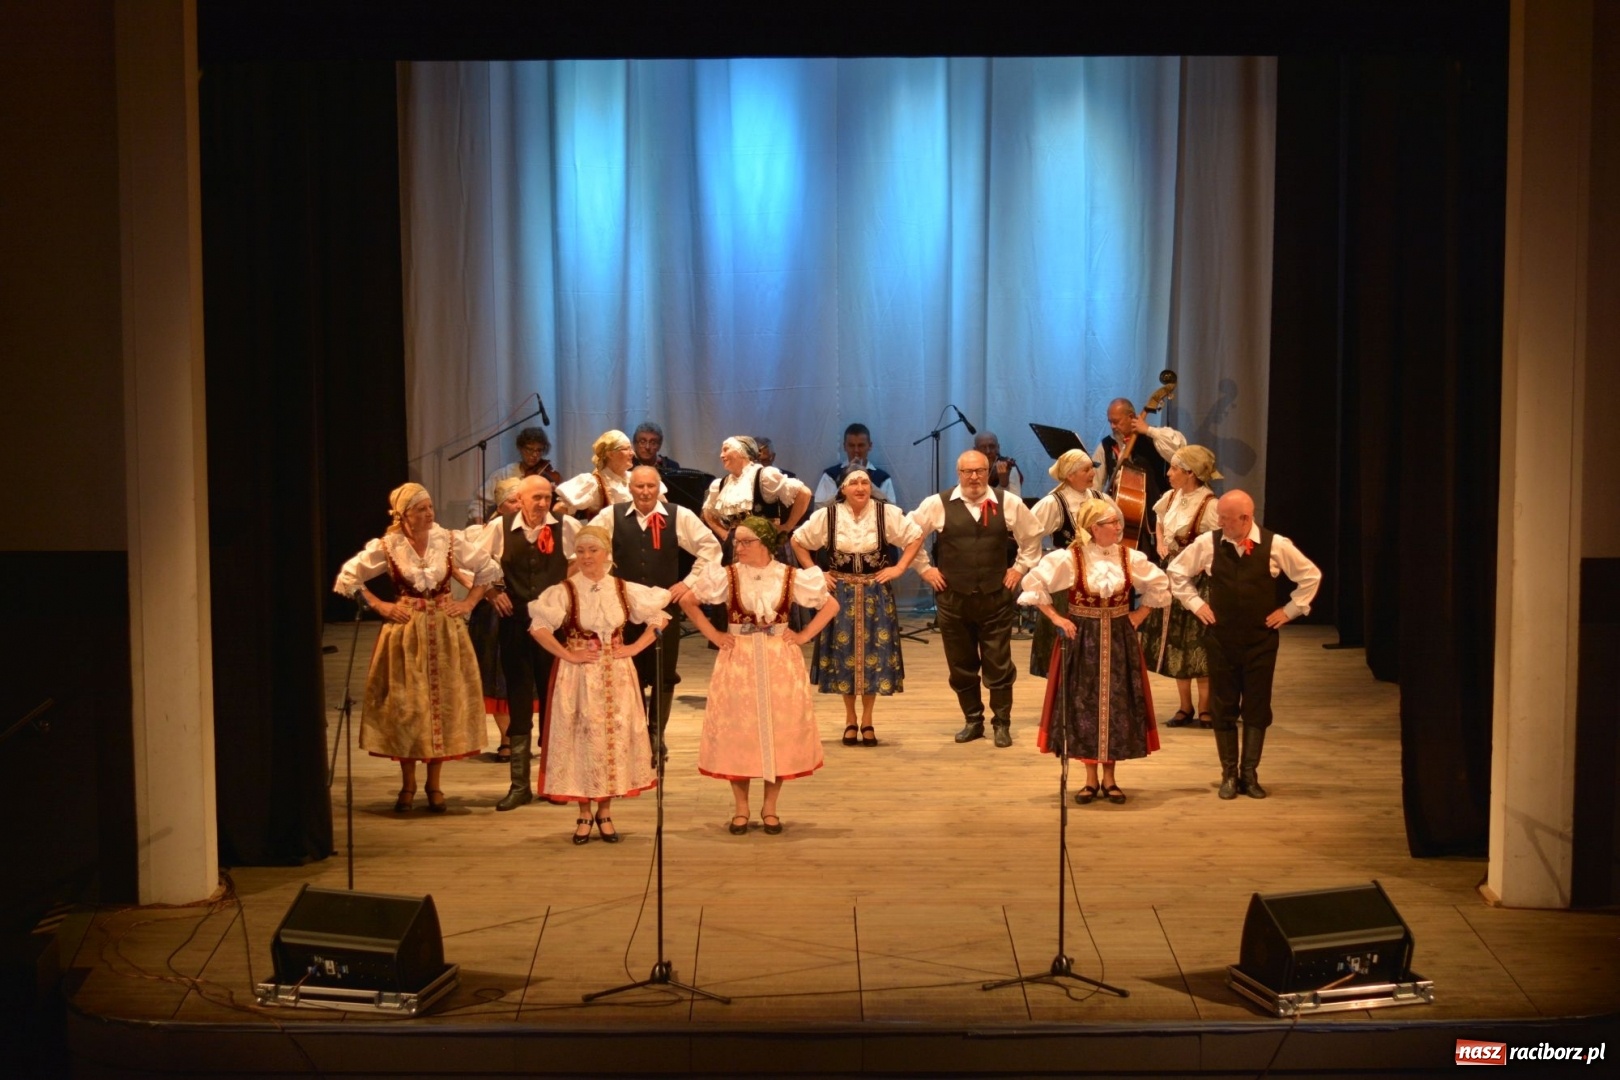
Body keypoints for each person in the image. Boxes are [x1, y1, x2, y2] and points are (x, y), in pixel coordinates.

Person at [334, 483, 502, 812]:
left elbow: (488, 568)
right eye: (421, 509)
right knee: (409, 707)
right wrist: (380, 605)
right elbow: (349, 577)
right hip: (406, 633)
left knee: (441, 704)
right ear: (404, 515)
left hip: (445, 631)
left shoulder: (447, 540)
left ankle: (434, 784)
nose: (429, 513)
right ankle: (408, 783)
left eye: (430, 507)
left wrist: (468, 603)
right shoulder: (389, 545)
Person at [679, 516, 839, 835]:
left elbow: (831, 605)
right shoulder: (728, 575)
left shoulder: (789, 575)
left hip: (779, 660)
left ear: (764, 543)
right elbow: (688, 601)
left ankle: (770, 807)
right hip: (738, 660)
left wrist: (804, 635)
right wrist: (715, 635)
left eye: (745, 542)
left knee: (778, 732)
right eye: (736, 542)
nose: (738, 547)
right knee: (739, 732)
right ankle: (741, 808)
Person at [1166, 490, 1322, 800]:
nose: (1220, 523)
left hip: (1260, 640)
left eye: (1226, 518)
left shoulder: (1275, 545)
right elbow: (1176, 572)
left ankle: (1249, 774)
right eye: (1220, 517)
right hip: (1221, 640)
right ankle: (1229, 774)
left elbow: (1310, 576)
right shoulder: (1208, 544)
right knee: (1223, 707)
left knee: (1256, 707)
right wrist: (1197, 604)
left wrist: (1290, 610)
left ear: (1246, 518)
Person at [1019, 499, 1170, 804]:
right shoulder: (1070, 558)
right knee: (1084, 706)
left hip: (1119, 639)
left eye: (1117, 521)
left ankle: (1110, 779)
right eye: (1111, 522)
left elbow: (1160, 586)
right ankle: (1090, 779)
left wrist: (1139, 615)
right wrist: (1057, 618)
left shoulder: (1129, 557)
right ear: (1094, 528)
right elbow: (1033, 586)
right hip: (1083, 639)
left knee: (1117, 705)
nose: (1118, 526)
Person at [527, 526, 668, 844]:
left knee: (612, 738)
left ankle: (605, 812)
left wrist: (634, 648)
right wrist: (567, 654)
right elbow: (538, 627)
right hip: (579, 675)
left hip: (617, 674)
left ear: (607, 553)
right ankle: (584, 812)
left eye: (593, 550)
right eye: (581, 551)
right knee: (581, 738)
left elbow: (660, 619)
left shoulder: (621, 588)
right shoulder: (566, 590)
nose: (587, 557)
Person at [908, 449, 1044, 747]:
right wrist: (925, 569)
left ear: (988, 472)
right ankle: (973, 720)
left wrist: (1019, 568)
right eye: (968, 472)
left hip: (995, 598)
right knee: (961, 665)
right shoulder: (937, 503)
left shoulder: (1007, 502)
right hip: (953, 599)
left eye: (980, 471)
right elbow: (909, 534)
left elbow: (1032, 535)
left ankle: (1002, 723)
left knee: (999, 663)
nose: (974, 477)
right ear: (958, 473)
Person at [588, 464, 722, 763]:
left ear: (659, 487)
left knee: (664, 674)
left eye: (651, 486)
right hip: (624, 610)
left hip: (664, 608)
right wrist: (606, 582)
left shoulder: (677, 515)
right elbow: (587, 546)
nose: (645, 492)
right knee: (628, 673)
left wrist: (687, 583)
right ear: (630, 488)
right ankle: (634, 737)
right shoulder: (611, 515)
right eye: (639, 486)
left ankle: (655, 736)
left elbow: (710, 549)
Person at [790, 468, 924, 746]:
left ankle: (868, 719)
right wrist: (816, 572)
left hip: (876, 593)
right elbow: (798, 541)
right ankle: (850, 718)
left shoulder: (884, 513)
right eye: (854, 483)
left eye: (865, 482)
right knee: (845, 655)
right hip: (840, 595)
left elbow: (915, 535)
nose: (861, 487)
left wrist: (899, 567)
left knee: (874, 654)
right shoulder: (828, 516)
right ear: (843, 489)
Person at [476, 475, 580, 810]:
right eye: (536, 497)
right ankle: (519, 785)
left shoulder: (566, 526)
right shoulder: (500, 527)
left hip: (554, 628)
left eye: (547, 497)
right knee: (519, 699)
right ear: (519, 499)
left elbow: (587, 559)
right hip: (516, 626)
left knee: (554, 701)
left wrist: (566, 590)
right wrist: (492, 592)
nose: (543, 503)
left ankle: (554, 783)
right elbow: (474, 564)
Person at [1139, 445, 1223, 728]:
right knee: (1177, 642)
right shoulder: (1171, 497)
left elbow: (1220, 541)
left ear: (1190, 473)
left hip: (1199, 581)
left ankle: (1206, 707)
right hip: (1172, 575)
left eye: (1175, 468)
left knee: (1199, 643)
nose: (1169, 473)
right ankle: (1185, 706)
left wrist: (1202, 561)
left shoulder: (1210, 505)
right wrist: (1161, 543)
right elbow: (1160, 520)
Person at [1026, 451, 1116, 679]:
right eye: (1086, 469)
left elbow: (1119, 528)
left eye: (1092, 468)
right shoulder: (1054, 502)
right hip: (1068, 579)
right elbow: (1028, 533)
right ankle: (1060, 684)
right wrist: (1037, 565)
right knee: (1066, 636)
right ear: (1069, 475)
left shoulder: (1101, 499)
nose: (1092, 473)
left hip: (1098, 577)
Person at [460, 475, 524, 759]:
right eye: (512, 500)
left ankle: (522, 735)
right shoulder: (487, 531)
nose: (519, 505)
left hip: (525, 606)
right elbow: (463, 566)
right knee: (498, 676)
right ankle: (507, 738)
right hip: (494, 611)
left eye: (521, 499)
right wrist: (488, 593)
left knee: (523, 674)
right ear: (500, 506)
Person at [1091, 398, 1187, 558]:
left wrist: (1149, 430)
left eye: (1116, 421)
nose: (1112, 426)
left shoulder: (1153, 438)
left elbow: (1181, 449)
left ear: (1131, 417)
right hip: (1123, 517)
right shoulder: (1106, 445)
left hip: (1153, 516)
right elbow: (1095, 483)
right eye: (1110, 422)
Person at [701, 435, 812, 545]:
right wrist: (724, 535)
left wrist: (787, 527)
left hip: (765, 548)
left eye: (726, 450)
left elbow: (804, 493)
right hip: (737, 549)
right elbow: (708, 512)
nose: (721, 455)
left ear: (742, 452)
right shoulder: (721, 484)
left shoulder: (764, 476)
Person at [469, 426, 562, 524]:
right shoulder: (504, 474)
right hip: (508, 526)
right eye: (529, 449)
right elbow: (479, 503)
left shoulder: (548, 476)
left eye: (539, 450)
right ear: (520, 448)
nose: (534, 455)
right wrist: (479, 524)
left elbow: (557, 507)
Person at [556, 429, 658, 518]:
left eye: (631, 448)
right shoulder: (595, 482)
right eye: (626, 449)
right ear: (611, 454)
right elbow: (559, 509)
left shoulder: (634, 478)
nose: (632, 453)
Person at [812, 423, 899, 505]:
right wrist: (845, 478)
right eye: (851, 445)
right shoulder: (830, 476)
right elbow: (819, 508)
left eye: (861, 445)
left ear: (870, 446)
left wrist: (868, 482)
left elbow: (891, 509)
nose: (856, 450)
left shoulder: (883, 478)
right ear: (845, 446)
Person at [973, 431, 1024, 497]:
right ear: (975, 450)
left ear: (998, 447)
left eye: (992, 446)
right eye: (983, 447)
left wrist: (1003, 484)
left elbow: (1015, 498)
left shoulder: (1008, 466)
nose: (988, 451)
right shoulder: (970, 467)